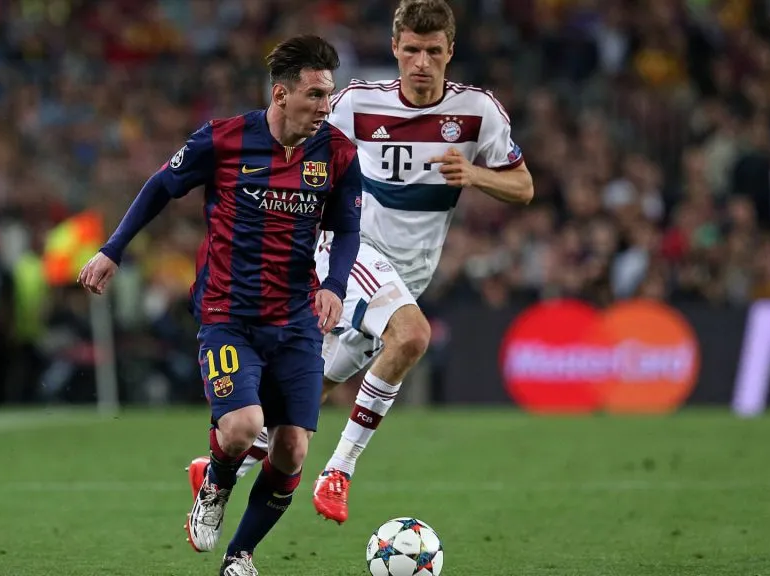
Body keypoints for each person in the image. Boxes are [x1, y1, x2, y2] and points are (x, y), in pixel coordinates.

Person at [235, 0, 535, 524]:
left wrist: (475, 174)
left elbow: (524, 186)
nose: (422, 62)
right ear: (395, 49)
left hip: (411, 272)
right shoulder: (356, 104)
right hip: (355, 251)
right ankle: (339, 471)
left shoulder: (478, 112)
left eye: (433, 51)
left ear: (450, 52)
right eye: (412, 50)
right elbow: (299, 147)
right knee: (413, 336)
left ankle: (222, 467)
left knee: (316, 385)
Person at [78, 35, 362, 576]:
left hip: (297, 320)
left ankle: (240, 556)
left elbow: (347, 227)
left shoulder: (338, 153)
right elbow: (161, 187)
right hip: (227, 316)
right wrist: (113, 250)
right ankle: (214, 484)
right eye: (316, 95)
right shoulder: (224, 140)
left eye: (330, 95)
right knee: (240, 428)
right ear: (281, 95)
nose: (326, 107)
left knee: (292, 451)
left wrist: (336, 285)